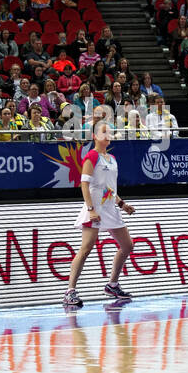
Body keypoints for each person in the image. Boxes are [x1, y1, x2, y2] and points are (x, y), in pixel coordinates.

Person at [63, 119, 137, 307]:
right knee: (86, 248)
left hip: (110, 207)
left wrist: (122, 204)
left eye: (110, 131)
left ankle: (112, 285)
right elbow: (84, 184)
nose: (109, 134)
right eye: (105, 132)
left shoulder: (111, 159)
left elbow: (109, 188)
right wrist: (91, 209)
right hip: (94, 208)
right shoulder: (92, 156)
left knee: (127, 246)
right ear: (95, 136)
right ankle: (70, 291)